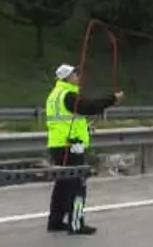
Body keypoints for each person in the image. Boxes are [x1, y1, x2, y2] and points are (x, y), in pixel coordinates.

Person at [44, 64, 122, 235]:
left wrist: (85, 127)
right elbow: (89, 106)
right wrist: (112, 99)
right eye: (74, 74)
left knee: (62, 184)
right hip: (71, 146)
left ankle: (55, 221)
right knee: (78, 184)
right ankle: (76, 223)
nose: (78, 76)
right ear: (67, 78)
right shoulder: (68, 95)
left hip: (57, 145)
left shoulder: (54, 95)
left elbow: (70, 117)